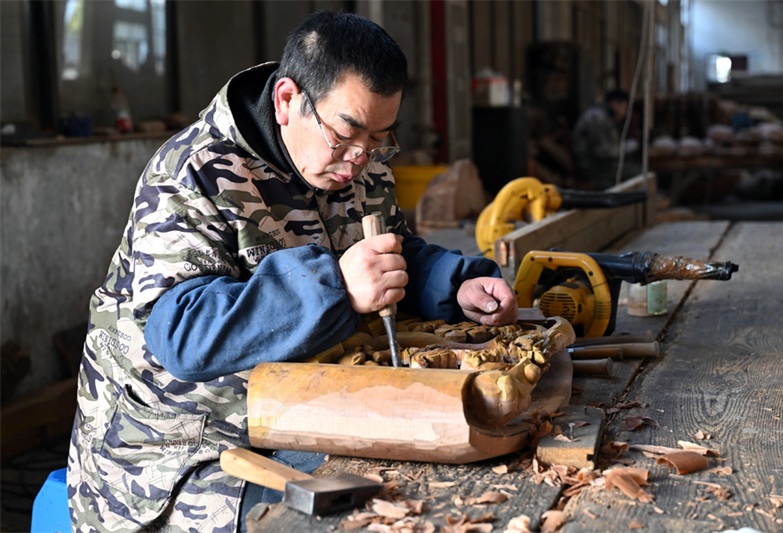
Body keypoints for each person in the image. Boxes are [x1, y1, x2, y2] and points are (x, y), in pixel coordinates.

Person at [67, 11, 517, 533]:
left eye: (379, 139)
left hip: (300, 411)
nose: (359, 160)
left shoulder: (360, 160)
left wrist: (453, 284)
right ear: (286, 101)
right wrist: (337, 287)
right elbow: (182, 333)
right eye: (346, 134)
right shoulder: (192, 172)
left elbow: (392, 251)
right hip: (183, 451)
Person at [572, 88, 641, 190]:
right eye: (624, 107)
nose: (625, 112)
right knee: (640, 173)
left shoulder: (604, 117)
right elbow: (601, 151)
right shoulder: (596, 118)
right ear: (614, 104)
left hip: (602, 166)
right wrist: (624, 148)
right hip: (595, 170)